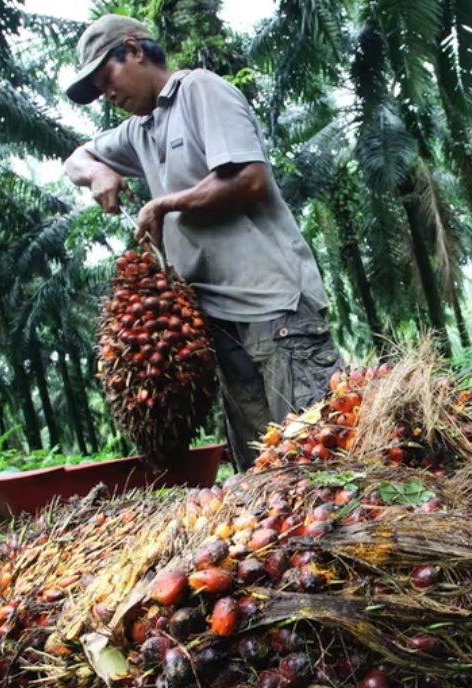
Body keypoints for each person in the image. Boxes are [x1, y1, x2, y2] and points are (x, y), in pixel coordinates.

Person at [63, 15, 342, 471]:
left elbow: (249, 179)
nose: (107, 95)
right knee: (267, 476)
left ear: (133, 49)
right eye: (98, 90)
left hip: (276, 312)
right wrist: (97, 172)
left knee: (326, 460)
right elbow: (76, 158)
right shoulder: (140, 130)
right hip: (218, 327)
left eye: (106, 78)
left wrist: (164, 204)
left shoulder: (200, 91)